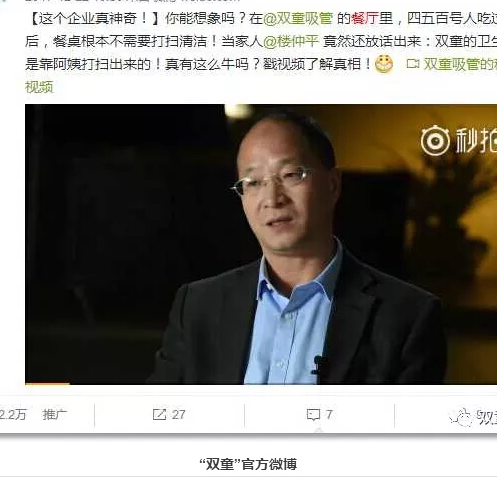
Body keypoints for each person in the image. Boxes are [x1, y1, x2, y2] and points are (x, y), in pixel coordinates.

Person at [148, 110, 446, 384]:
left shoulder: (407, 317)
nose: (272, 198)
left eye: (291, 175)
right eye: (253, 182)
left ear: (333, 184)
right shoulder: (198, 306)